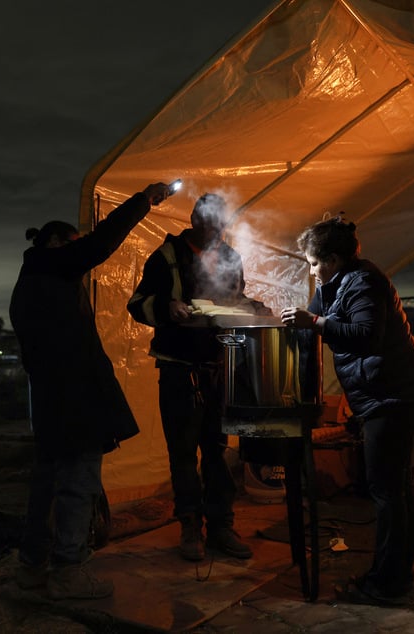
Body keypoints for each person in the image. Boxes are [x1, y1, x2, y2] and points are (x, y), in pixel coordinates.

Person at [9, 181, 174, 600]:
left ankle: (32, 565)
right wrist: (144, 201)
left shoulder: (34, 280)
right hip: (74, 399)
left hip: (52, 399)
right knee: (79, 481)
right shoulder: (50, 267)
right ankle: (69, 569)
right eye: (73, 245)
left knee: (47, 482)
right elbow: (100, 245)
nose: (79, 255)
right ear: (55, 243)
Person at [279, 214, 414, 605]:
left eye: (314, 262)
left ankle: (386, 584)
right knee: (393, 491)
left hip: (395, 397)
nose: (311, 270)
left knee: (387, 491)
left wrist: (315, 322)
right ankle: (396, 576)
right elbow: (314, 320)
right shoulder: (333, 284)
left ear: (333, 259)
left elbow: (367, 335)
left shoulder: (364, 281)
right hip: (384, 395)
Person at [127, 192, 270, 562]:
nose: (218, 231)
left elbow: (235, 301)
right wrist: (165, 306)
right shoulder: (167, 257)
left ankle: (222, 526)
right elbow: (136, 303)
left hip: (218, 367)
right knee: (183, 452)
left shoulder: (230, 258)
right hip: (178, 367)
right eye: (211, 224)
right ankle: (190, 527)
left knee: (218, 452)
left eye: (222, 224)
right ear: (195, 220)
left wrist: (255, 310)